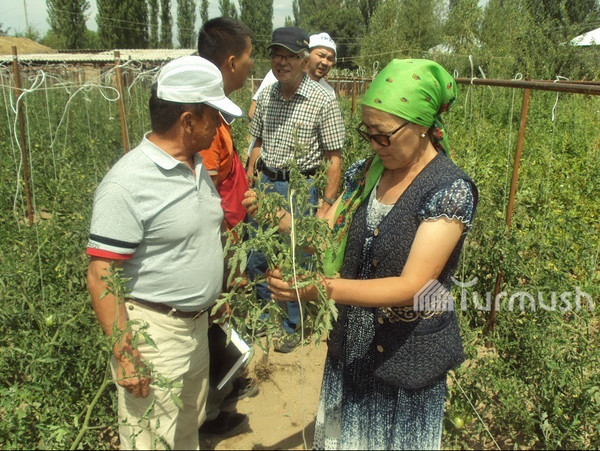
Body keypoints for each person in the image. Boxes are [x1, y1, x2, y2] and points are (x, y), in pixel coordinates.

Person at [246, 59, 478, 449]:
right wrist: (281, 220)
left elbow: (412, 287)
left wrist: (322, 287)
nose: (373, 144)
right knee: (343, 439)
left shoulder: (449, 190)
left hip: (408, 360)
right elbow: (327, 236)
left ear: (421, 126)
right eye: (368, 132)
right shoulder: (366, 172)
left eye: (383, 135)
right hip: (353, 348)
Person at [86, 55, 243, 450]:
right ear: (188, 121)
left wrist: (213, 293)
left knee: (187, 431)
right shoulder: (128, 183)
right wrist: (126, 355)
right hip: (154, 336)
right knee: (152, 440)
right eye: (214, 116)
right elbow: (101, 273)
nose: (220, 126)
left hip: (196, 329)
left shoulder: (196, 167)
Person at [246, 27, 346, 353]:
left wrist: (326, 204)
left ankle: (293, 324)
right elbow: (258, 141)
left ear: (304, 61)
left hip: (300, 189)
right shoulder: (267, 95)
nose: (282, 61)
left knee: (295, 260)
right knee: (259, 253)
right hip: (266, 184)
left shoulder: (323, 100)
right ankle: (266, 316)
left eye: (289, 56)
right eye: (277, 55)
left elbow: (334, 157)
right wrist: (252, 174)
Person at [195, 16, 257, 438]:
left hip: (228, 237)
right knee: (215, 318)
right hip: (217, 241)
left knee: (224, 313)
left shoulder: (217, 114)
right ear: (232, 61)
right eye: (251, 56)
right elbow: (205, 196)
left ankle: (225, 387)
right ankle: (212, 411)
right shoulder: (207, 122)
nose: (254, 65)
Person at [247, 32, 337, 121]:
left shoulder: (328, 92)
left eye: (330, 59)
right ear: (307, 55)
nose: (325, 62)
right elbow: (253, 112)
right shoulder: (280, 75)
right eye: (321, 55)